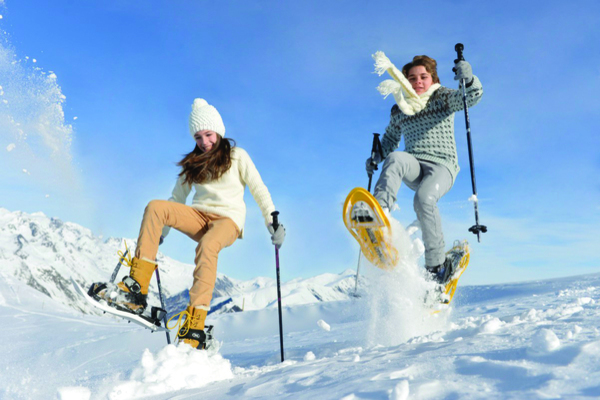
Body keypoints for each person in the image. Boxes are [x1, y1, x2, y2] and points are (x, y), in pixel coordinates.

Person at [91, 98, 286, 349]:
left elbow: (259, 189)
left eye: (208, 134)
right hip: (199, 217)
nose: (204, 142)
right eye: (197, 137)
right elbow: (177, 199)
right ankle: (135, 292)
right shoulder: (193, 164)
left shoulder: (238, 157)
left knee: (208, 245)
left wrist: (272, 221)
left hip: (228, 221)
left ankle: (195, 324)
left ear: (218, 131)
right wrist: (161, 231)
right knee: (155, 207)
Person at [355, 52, 483, 284]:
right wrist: (376, 156)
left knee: (424, 199)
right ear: (405, 81)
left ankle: (436, 267)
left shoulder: (442, 97)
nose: (418, 82)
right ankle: (379, 217)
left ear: (433, 79)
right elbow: (390, 139)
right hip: (414, 164)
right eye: (412, 78)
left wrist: (469, 77)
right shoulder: (400, 109)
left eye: (423, 76)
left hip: (442, 166)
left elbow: (471, 96)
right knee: (395, 157)